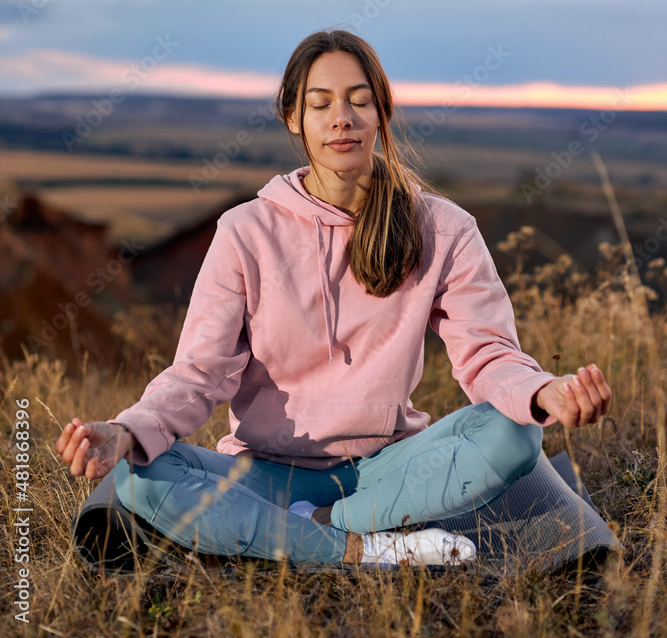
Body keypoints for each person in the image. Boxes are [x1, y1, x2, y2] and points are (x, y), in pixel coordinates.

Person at [56, 28, 611, 568]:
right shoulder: (244, 232)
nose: (341, 118)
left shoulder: (443, 228)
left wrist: (545, 391)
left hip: (390, 469)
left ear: (381, 114)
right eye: (320, 104)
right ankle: (364, 549)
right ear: (294, 118)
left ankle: (301, 531)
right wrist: (129, 428)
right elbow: (198, 372)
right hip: (264, 472)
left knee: (514, 430)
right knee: (136, 471)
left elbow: (488, 354)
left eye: (359, 101)